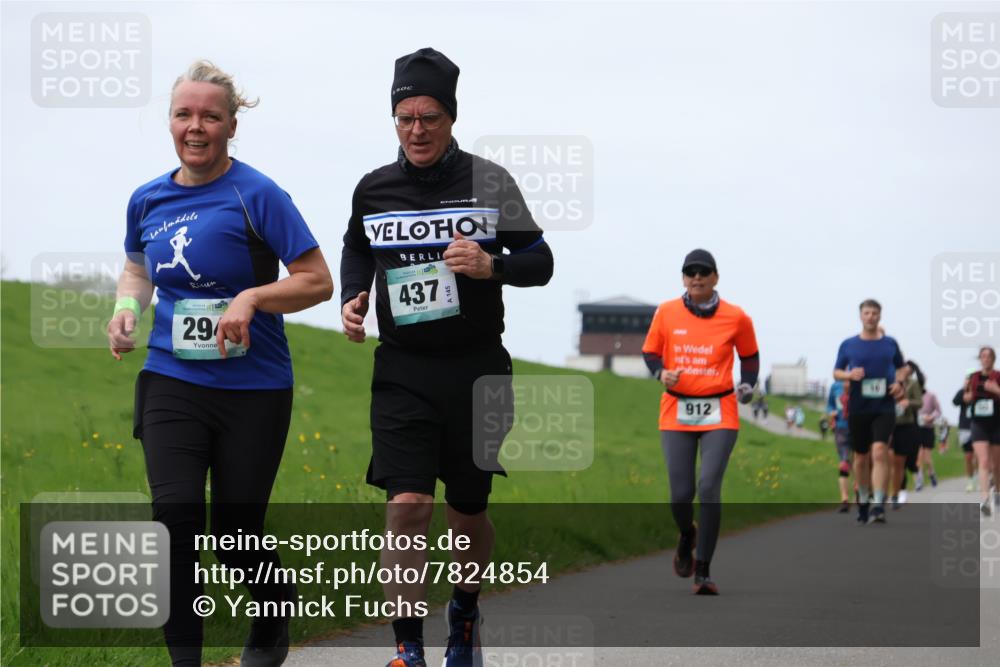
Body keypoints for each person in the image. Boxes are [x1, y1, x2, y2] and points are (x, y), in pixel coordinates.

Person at [107, 61, 333, 667]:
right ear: (171, 123)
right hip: (171, 378)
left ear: (233, 124)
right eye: (184, 114)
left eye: (210, 115)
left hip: (254, 387)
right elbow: (138, 267)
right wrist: (128, 308)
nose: (196, 126)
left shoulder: (257, 194)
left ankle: (272, 611)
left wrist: (253, 297)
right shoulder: (147, 198)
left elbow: (316, 281)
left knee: (235, 536)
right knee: (173, 520)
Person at [339, 48, 553, 667]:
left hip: (478, 368)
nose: (417, 130)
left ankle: (463, 610)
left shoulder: (489, 182)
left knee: (466, 510)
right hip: (403, 367)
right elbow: (356, 247)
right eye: (404, 118)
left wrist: (494, 266)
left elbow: (541, 261)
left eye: (429, 116)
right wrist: (356, 295)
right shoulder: (374, 188)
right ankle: (407, 647)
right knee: (407, 505)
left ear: (451, 117)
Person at [642, 249, 759, 595]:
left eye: (703, 272)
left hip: (720, 409)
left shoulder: (736, 317)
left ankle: (703, 570)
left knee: (708, 487)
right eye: (690, 272)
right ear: (683, 279)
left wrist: (748, 384)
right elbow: (650, 352)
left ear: (715, 278)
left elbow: (749, 355)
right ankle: (687, 534)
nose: (696, 277)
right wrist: (661, 372)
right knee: (680, 495)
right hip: (676, 409)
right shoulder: (666, 312)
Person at [833, 299, 907, 525]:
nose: (871, 317)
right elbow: (836, 372)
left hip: (884, 407)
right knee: (861, 458)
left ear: (880, 316)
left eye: (875, 313)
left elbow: (902, 368)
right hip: (859, 408)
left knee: (879, 452)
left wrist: (899, 383)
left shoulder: (890, 344)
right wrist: (849, 375)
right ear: (860, 316)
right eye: (867, 313)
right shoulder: (848, 345)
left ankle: (877, 503)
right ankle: (863, 500)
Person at [963, 346, 1000, 515]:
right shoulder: (973, 377)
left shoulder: (998, 376)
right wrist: (967, 396)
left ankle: (997, 494)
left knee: (996, 465)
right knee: (983, 462)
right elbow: (964, 398)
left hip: (997, 423)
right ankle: (985, 500)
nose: (986, 359)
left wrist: (996, 390)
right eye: (983, 356)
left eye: (989, 356)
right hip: (979, 423)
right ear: (979, 358)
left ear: (993, 359)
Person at [890, 361, 923, 510]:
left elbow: (919, 402)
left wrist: (907, 402)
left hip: (905, 425)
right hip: (887, 425)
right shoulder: (887, 380)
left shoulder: (913, 383)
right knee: (886, 460)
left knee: (899, 463)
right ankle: (880, 494)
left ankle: (896, 495)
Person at [826, 379, 852, 512]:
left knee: (859, 462)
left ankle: (862, 495)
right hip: (841, 428)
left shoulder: (860, 385)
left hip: (859, 428)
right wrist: (831, 412)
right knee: (844, 463)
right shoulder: (835, 387)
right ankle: (845, 500)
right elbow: (830, 405)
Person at [915, 373, 942, 490]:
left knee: (926, 457)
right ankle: (919, 480)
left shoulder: (931, 396)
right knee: (918, 455)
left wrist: (931, 417)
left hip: (928, 429)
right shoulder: (912, 395)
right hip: (916, 428)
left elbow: (938, 411)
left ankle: (931, 474)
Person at [953, 385, 977, 491]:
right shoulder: (962, 391)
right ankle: (970, 480)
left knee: (979, 456)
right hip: (965, 428)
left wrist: (973, 397)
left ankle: (979, 475)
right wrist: (963, 395)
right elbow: (955, 402)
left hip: (979, 426)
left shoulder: (979, 391)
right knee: (968, 456)